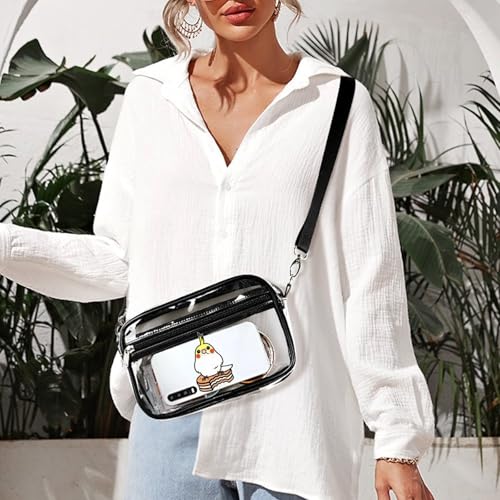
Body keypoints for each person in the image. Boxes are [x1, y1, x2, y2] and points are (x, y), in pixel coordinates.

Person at [0, 1, 437, 499]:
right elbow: (118, 259)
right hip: (172, 411)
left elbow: (370, 277)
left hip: (293, 421)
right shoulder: (153, 97)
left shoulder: (335, 102)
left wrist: (398, 440)